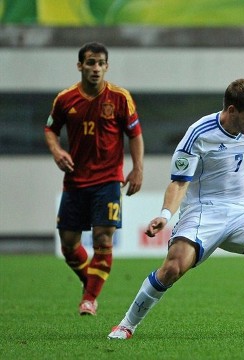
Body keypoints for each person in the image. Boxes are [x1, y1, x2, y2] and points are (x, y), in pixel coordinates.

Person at [108, 79, 244, 340]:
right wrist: (165, 215)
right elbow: (178, 182)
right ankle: (126, 325)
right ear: (232, 111)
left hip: (241, 214)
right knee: (173, 268)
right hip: (202, 213)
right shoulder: (199, 133)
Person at [44, 41, 144, 316]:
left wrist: (137, 169)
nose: (96, 68)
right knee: (68, 243)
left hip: (109, 179)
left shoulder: (120, 98)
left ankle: (89, 298)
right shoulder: (65, 99)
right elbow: (50, 129)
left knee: (103, 238)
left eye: (101, 63)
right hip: (75, 180)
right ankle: (92, 283)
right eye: (90, 63)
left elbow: (135, 134)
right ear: (80, 66)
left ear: (107, 66)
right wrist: (56, 150)